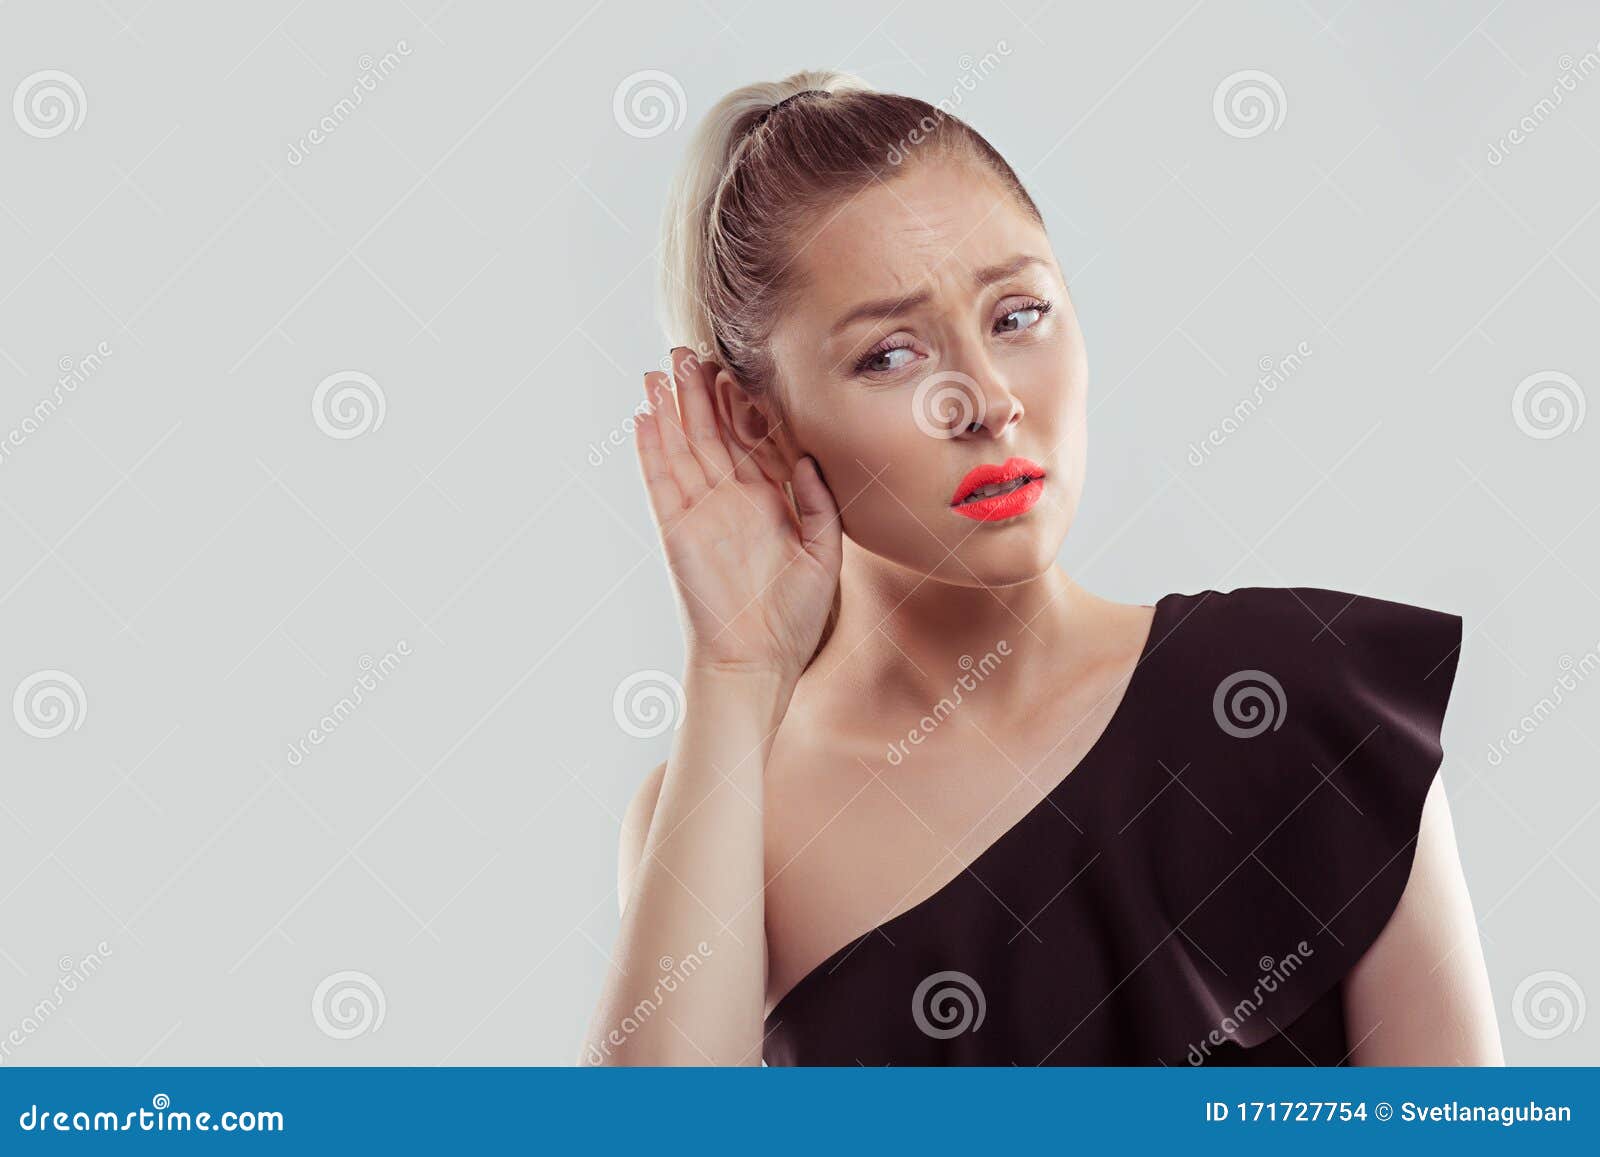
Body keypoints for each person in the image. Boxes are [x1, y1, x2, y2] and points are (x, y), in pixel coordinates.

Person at [581, 69, 1503, 1066]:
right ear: (755, 422)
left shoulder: (1300, 694)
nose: (983, 399)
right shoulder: (731, 809)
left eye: (1016, 315)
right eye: (890, 354)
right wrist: (732, 672)